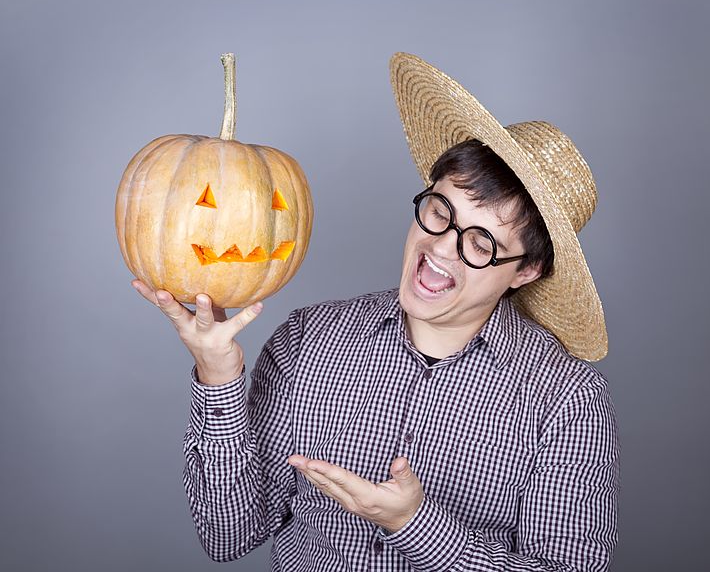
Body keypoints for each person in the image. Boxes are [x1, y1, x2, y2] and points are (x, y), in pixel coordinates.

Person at [132, 52, 619, 571]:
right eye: (440, 212)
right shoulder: (307, 341)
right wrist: (218, 374)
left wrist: (416, 526)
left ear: (525, 271)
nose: (442, 248)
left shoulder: (569, 400)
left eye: (480, 243)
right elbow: (228, 537)